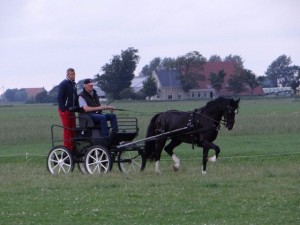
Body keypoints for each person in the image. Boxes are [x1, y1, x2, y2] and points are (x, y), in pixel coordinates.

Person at [78, 78, 118, 144]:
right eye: (89, 85)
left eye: (92, 85)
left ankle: (115, 134)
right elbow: (85, 109)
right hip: (88, 115)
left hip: (97, 113)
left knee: (112, 116)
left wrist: (108, 107)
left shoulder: (94, 93)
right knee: (102, 117)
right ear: (85, 85)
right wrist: (98, 108)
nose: (91, 86)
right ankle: (106, 138)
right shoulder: (81, 96)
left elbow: (98, 105)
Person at [57, 68, 78, 151]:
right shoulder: (63, 84)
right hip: (65, 110)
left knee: (73, 128)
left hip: (72, 110)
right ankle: (67, 147)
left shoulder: (74, 84)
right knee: (67, 129)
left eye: (74, 74)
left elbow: (75, 97)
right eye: (71, 74)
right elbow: (59, 97)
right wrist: (63, 109)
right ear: (67, 75)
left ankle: (73, 146)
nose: (73, 76)